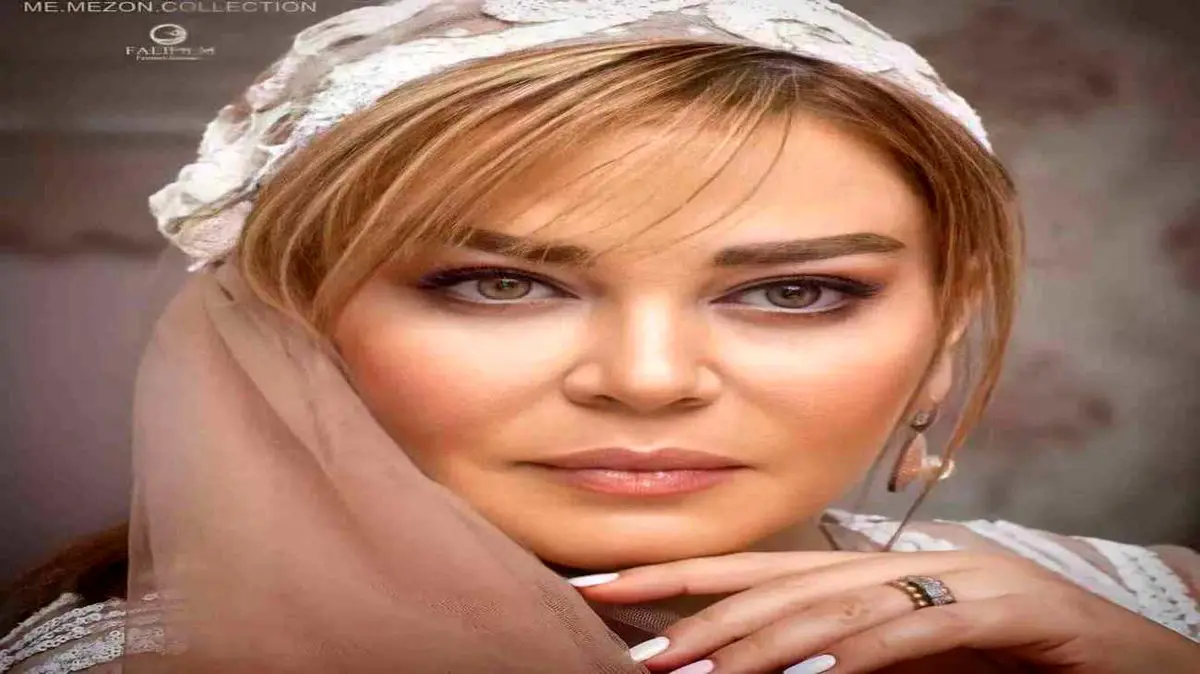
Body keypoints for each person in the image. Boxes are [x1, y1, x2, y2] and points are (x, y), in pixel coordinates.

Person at [2, 1, 1197, 672]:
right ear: (297, 317)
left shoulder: (1150, 608)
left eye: (794, 292)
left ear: (944, 328)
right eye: (499, 283)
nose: (648, 379)